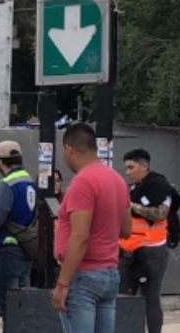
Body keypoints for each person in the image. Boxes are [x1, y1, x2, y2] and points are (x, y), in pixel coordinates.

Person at [50, 123, 131, 333]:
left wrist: (62, 283)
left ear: (69, 149)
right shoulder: (117, 180)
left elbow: (80, 237)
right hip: (110, 274)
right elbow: (125, 229)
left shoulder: (82, 182)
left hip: (84, 276)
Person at [118, 149, 174, 333]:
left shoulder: (160, 187)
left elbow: (160, 213)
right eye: (126, 168)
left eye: (131, 167)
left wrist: (131, 206)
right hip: (128, 249)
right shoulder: (130, 188)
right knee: (125, 298)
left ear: (144, 166)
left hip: (152, 250)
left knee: (151, 299)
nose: (127, 172)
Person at [0, 139, 37, 332]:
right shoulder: (30, 181)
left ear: (0, 161)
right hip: (27, 249)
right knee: (22, 308)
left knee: (8, 308)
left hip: (7, 250)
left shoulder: (7, 184)